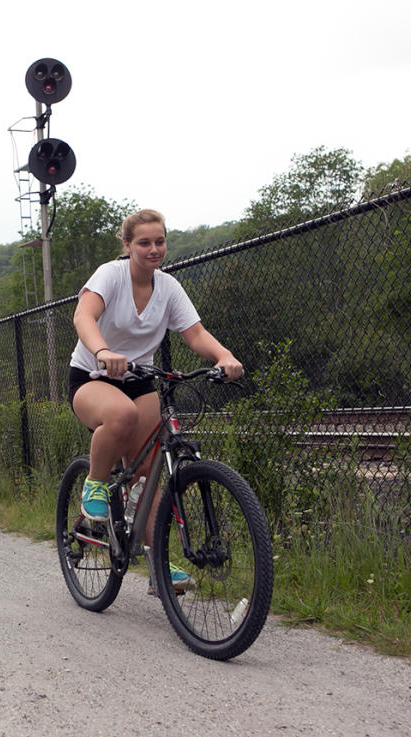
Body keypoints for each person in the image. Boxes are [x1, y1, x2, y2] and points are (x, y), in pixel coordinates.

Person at [69, 209, 244, 593]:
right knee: (122, 415)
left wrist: (224, 356)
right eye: (144, 242)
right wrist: (102, 351)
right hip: (93, 375)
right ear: (128, 245)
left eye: (159, 242)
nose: (153, 249)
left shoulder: (168, 287)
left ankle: (158, 566)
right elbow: (84, 316)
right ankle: (95, 484)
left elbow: (195, 333)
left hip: (140, 378)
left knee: (147, 476)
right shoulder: (111, 275)